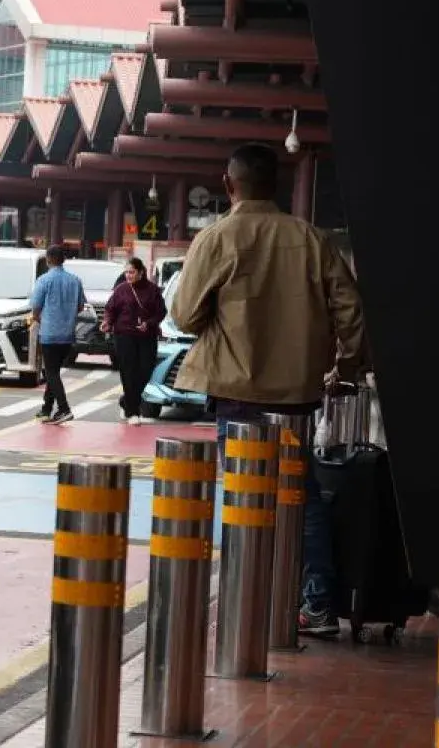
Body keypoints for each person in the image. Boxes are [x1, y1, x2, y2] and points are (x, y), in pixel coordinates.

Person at [171, 142, 365, 637]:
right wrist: (345, 367)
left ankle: (247, 602)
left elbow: (186, 315)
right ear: (275, 184)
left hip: (237, 392)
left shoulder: (217, 238)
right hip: (298, 393)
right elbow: (352, 312)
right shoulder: (312, 238)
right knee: (301, 498)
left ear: (228, 183)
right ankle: (315, 603)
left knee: (242, 496)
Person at [101, 257, 167, 424]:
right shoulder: (121, 289)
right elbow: (110, 309)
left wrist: (149, 323)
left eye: (131, 272)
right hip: (124, 335)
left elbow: (161, 312)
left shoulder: (153, 290)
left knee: (146, 370)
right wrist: (107, 322)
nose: (128, 275)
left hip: (147, 336)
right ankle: (133, 412)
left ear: (141, 272)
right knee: (128, 372)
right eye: (127, 272)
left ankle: (126, 401)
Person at [30, 245, 86, 424]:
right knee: (54, 372)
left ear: (48, 260)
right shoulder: (75, 280)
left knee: (51, 373)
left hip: (49, 333)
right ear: (64, 260)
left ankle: (64, 408)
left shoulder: (44, 280)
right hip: (68, 333)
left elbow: (35, 307)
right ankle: (46, 409)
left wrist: (39, 318)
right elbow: (80, 307)